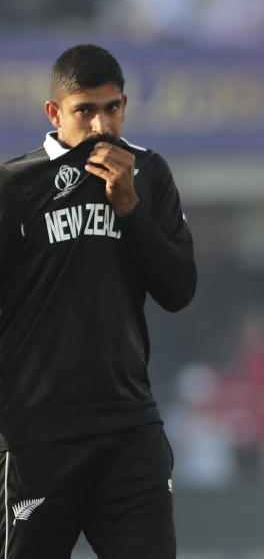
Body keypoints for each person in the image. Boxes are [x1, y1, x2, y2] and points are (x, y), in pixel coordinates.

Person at [0, 44, 196, 558]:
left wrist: (130, 207)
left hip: (128, 427)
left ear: (125, 106)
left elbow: (179, 291)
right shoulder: (14, 185)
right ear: (55, 113)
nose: (100, 125)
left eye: (111, 108)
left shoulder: (148, 174)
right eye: (84, 110)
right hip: (37, 434)